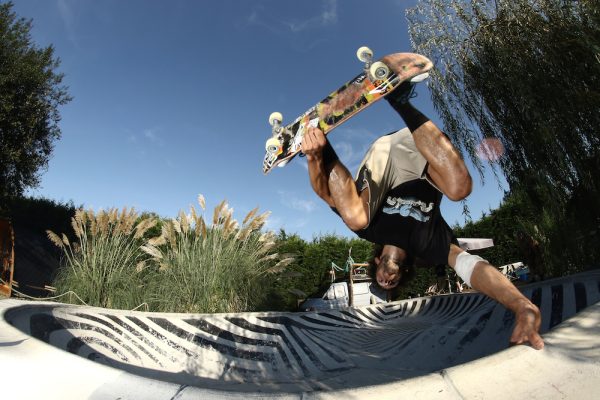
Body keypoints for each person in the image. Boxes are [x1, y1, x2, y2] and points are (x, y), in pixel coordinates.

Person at [301, 79, 544, 350]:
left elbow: (326, 192)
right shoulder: (429, 244)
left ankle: (326, 144)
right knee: (460, 189)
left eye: (381, 280)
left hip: (398, 154)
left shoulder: (372, 232)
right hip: (424, 157)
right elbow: (472, 267)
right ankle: (401, 101)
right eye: (391, 283)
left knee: (356, 217)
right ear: (402, 273)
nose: (387, 280)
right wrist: (521, 305)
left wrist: (314, 158)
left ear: (378, 260)